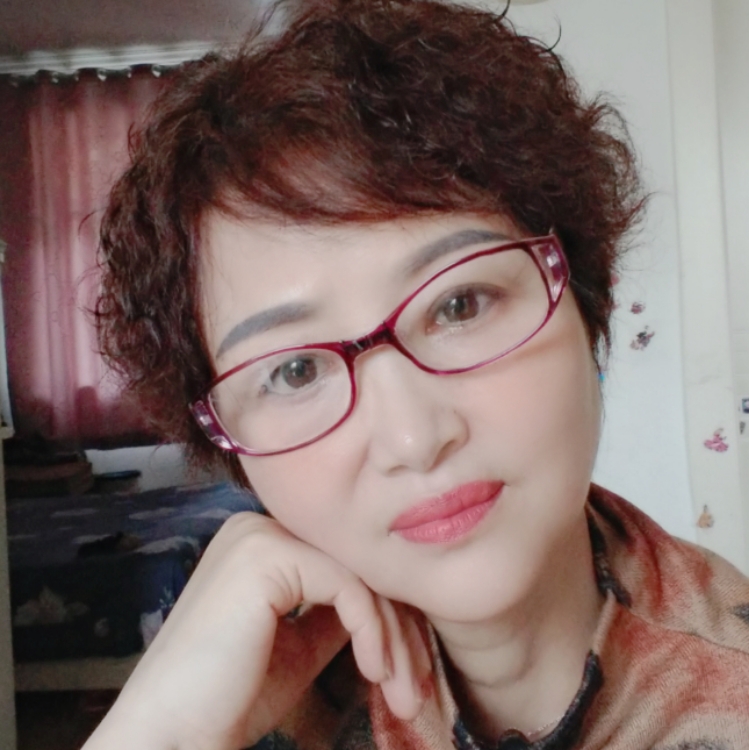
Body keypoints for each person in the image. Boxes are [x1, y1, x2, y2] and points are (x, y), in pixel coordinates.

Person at [83, 1, 749, 748]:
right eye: (295, 371)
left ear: (582, 295)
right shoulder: (248, 702)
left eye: (459, 305)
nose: (413, 438)